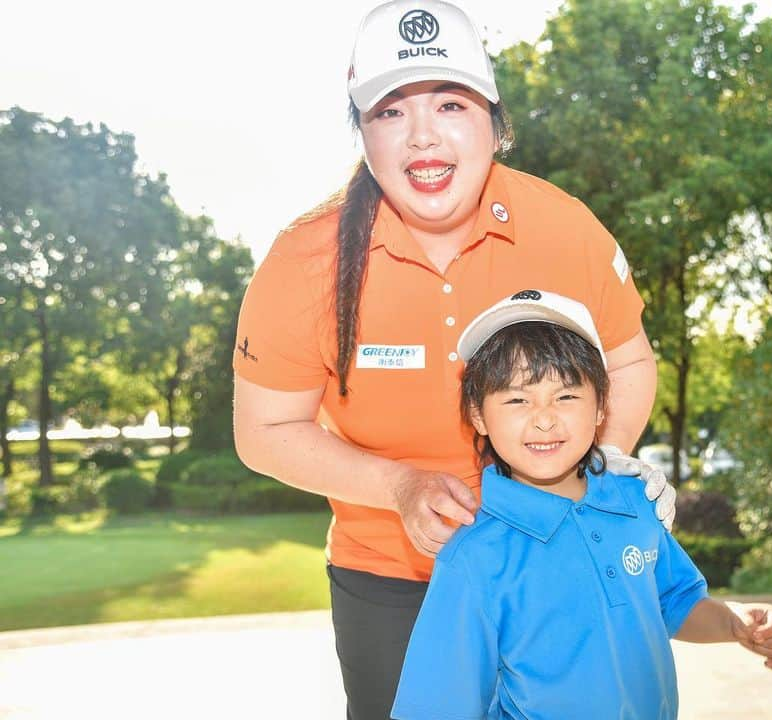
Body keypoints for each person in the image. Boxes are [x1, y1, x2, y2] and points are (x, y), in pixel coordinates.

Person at [231, 1, 675, 717]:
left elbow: (627, 364)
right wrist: (400, 487)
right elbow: (263, 431)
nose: (424, 137)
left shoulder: (565, 227)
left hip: (553, 563)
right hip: (389, 579)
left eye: (450, 102)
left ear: (496, 122)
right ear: (363, 135)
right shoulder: (302, 259)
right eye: (391, 112)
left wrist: (604, 461)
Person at [390, 290, 772, 720]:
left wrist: (733, 622)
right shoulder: (473, 558)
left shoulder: (636, 503)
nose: (544, 418)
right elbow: (435, 705)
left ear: (601, 405)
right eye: (517, 399)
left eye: (566, 396)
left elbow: (674, 601)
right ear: (479, 414)